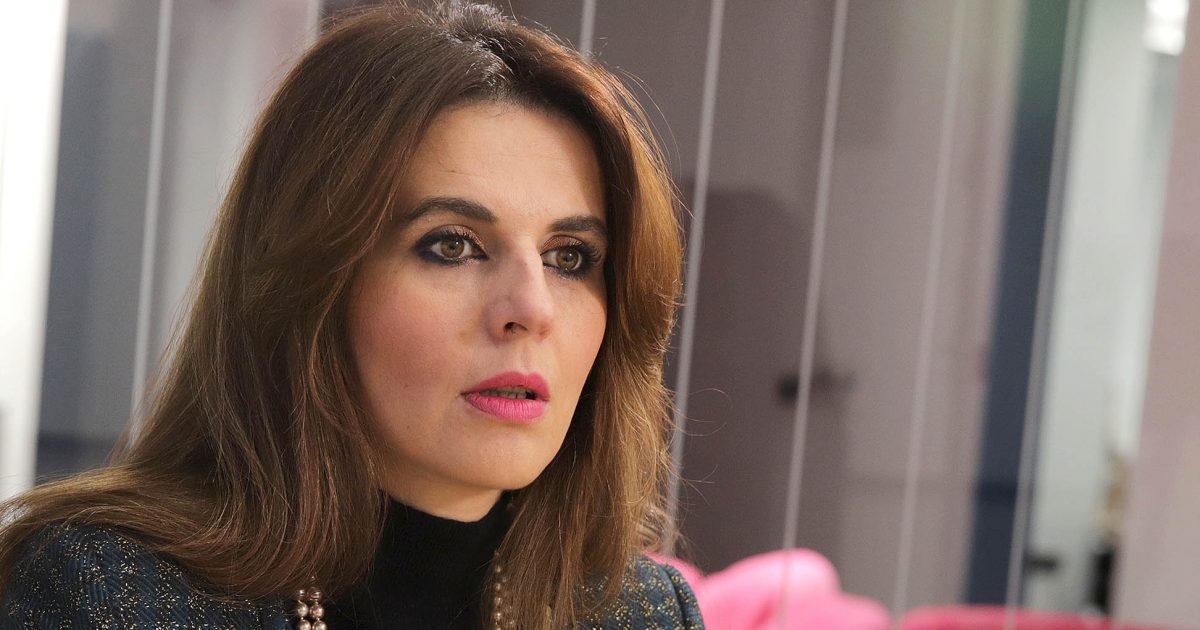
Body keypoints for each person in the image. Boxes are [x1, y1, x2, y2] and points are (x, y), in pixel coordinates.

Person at [0, 2, 702, 628]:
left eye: (569, 257)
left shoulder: (642, 614)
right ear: (314, 286)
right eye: (452, 245)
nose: (531, 308)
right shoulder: (108, 594)